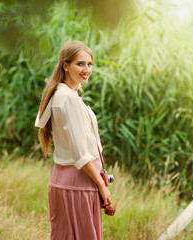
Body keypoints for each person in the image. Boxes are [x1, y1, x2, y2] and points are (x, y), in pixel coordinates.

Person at [34, 40, 111, 239]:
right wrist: (102, 187)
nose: (86, 69)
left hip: (64, 180)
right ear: (65, 65)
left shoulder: (61, 93)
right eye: (80, 64)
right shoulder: (67, 98)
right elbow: (80, 155)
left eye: (89, 64)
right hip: (77, 184)